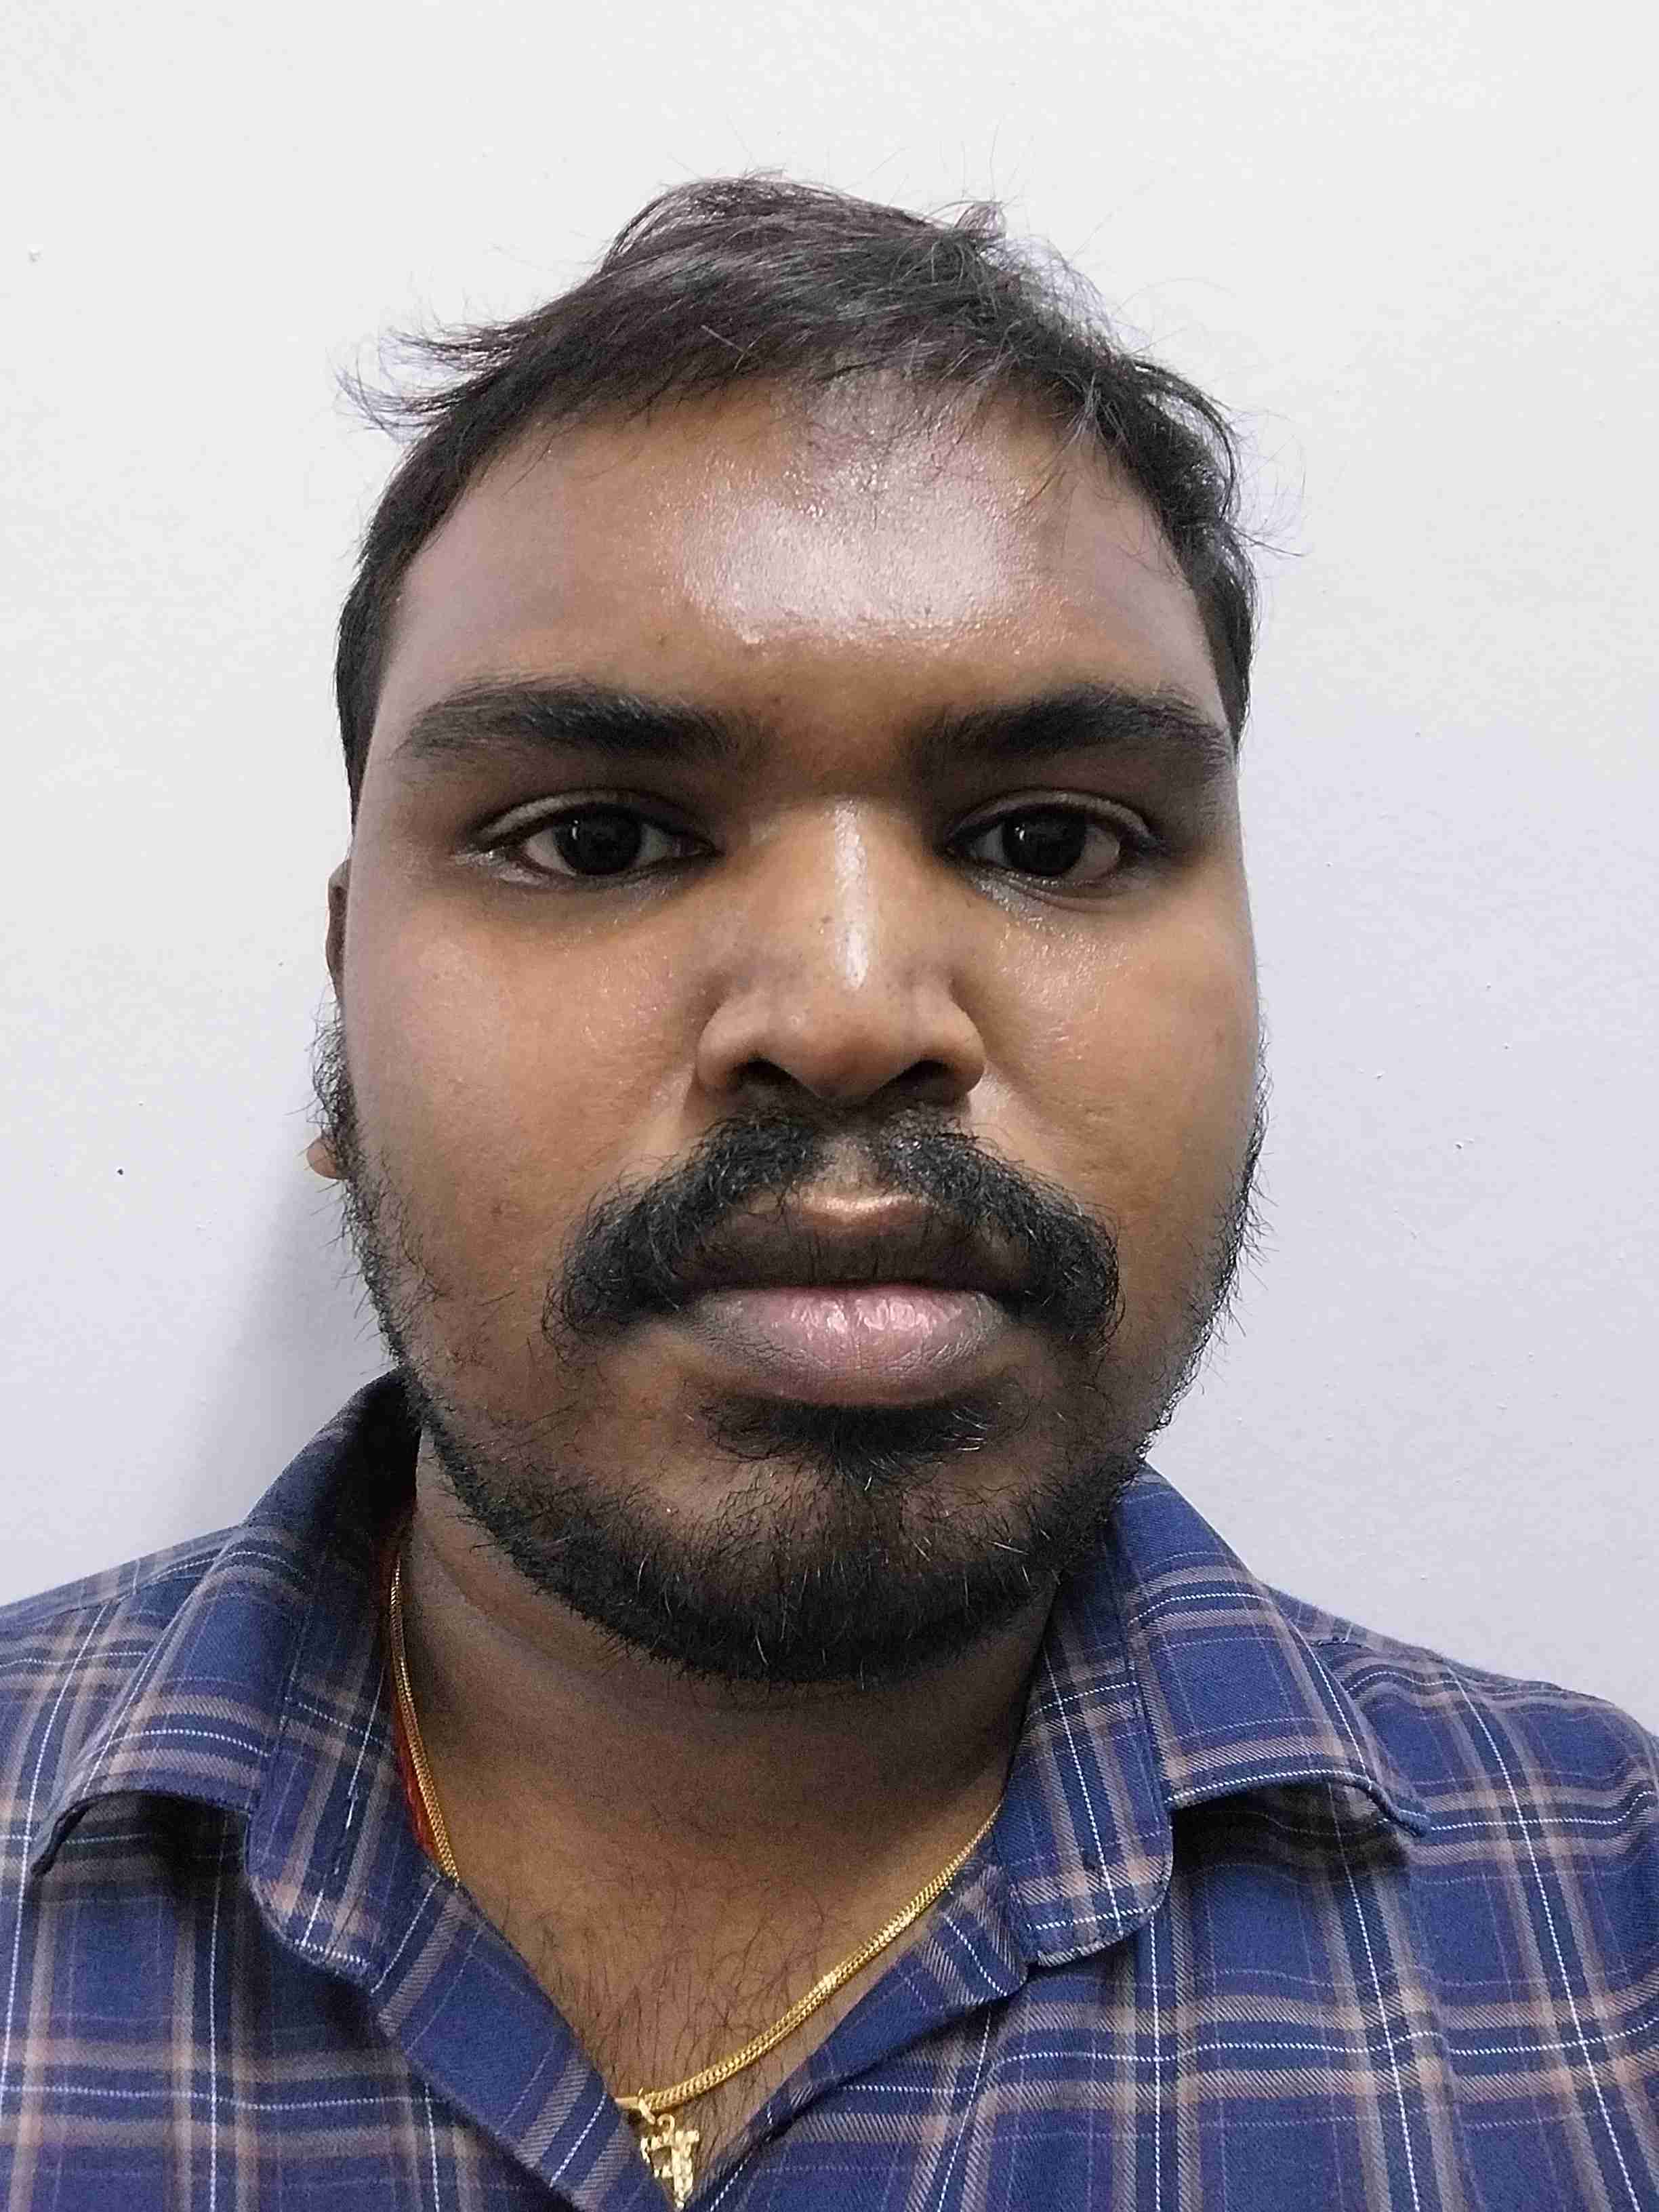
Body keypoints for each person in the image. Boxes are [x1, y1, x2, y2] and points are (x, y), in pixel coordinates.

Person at [1, 176, 1654, 2212]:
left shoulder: (1609, 1945)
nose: (852, 1012)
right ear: (346, 1005)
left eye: (1051, 841)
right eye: (597, 840)